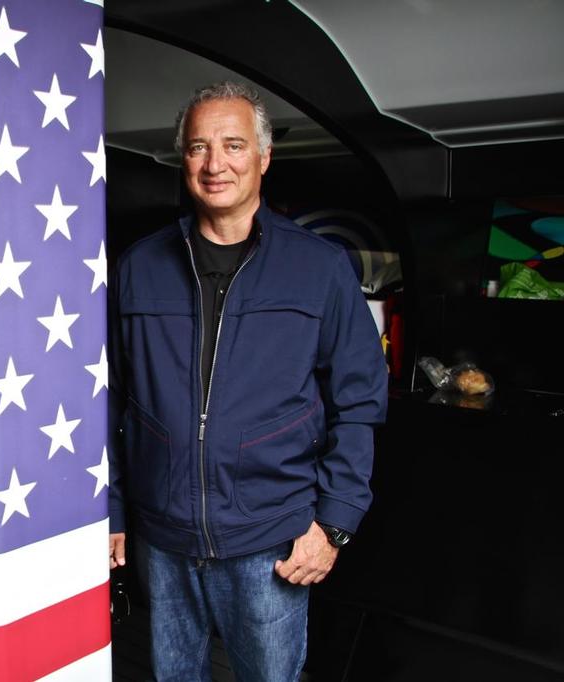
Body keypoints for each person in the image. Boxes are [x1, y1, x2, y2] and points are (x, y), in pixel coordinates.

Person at [107, 82, 388, 682]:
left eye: (234, 145)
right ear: (182, 158)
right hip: (163, 536)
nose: (216, 164)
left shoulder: (319, 267)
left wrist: (333, 524)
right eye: (199, 147)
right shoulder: (136, 266)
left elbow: (360, 401)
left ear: (263, 158)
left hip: (272, 538)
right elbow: (107, 399)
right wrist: (113, 513)